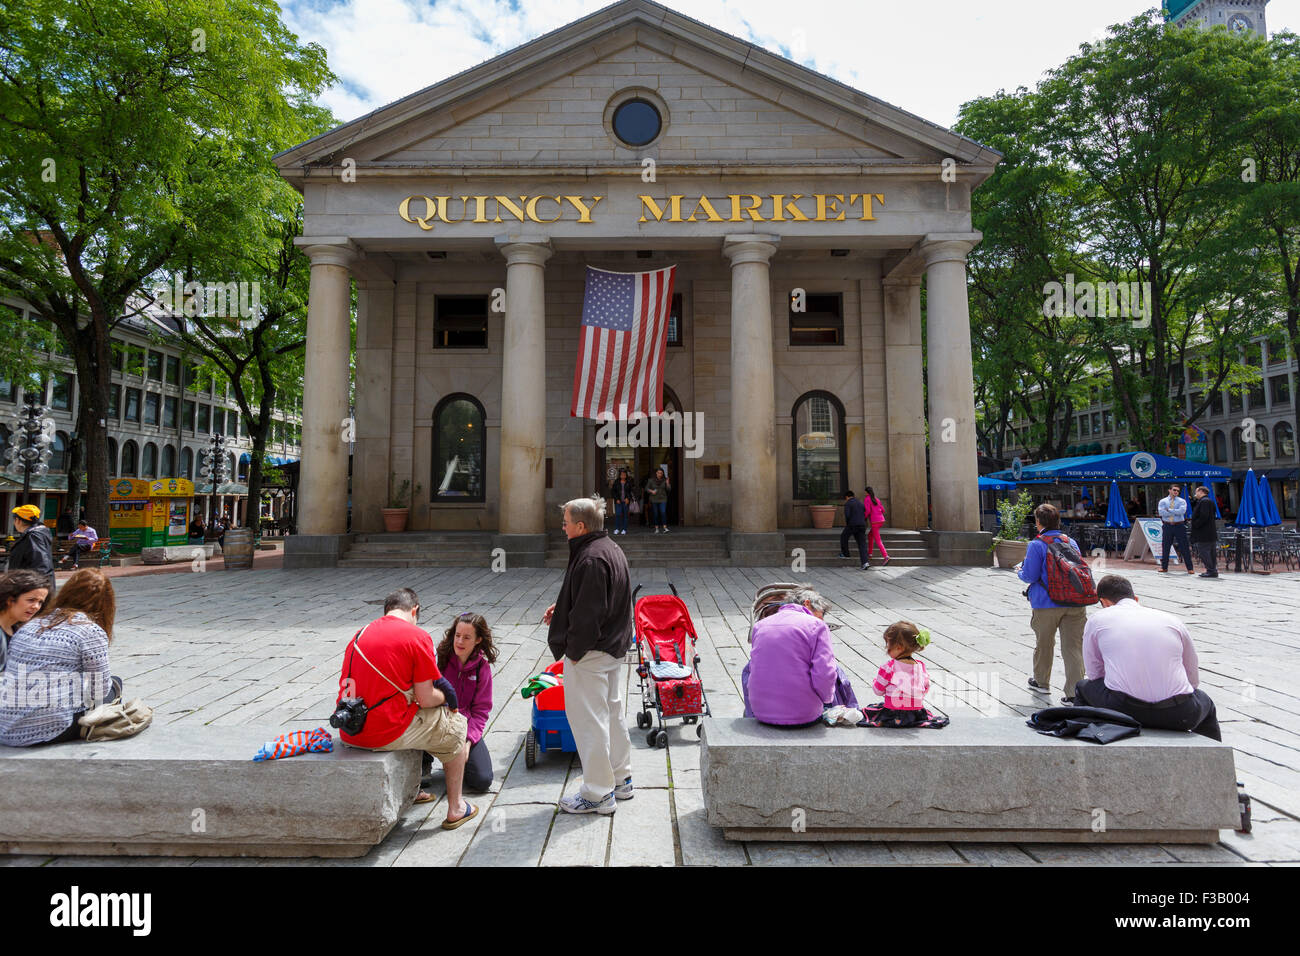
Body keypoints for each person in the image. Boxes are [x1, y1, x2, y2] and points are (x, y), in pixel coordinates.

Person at [334, 588, 476, 829]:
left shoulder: (360, 633)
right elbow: (427, 697)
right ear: (415, 610)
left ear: (387, 610)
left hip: (350, 730)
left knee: (409, 711)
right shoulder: (416, 636)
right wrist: (446, 699)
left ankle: (414, 788)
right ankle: (456, 807)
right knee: (455, 724)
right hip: (384, 731)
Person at [543, 496, 634, 814]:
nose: (563, 527)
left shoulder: (591, 558)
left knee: (589, 722)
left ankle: (597, 794)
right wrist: (563, 609)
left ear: (581, 526)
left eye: (566, 522)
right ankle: (621, 781)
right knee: (611, 714)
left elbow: (590, 615)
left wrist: (574, 652)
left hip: (592, 652)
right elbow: (601, 599)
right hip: (612, 648)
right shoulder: (609, 548)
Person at [1073, 575, 1220, 740]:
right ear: (1135, 598)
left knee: (1082, 687)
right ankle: (1214, 759)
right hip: (1179, 713)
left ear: (1104, 602)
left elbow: (1094, 674)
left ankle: (1085, 745)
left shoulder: (1096, 620)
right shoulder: (1173, 620)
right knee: (1207, 703)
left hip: (1121, 710)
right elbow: (1192, 676)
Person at [0, 568, 122, 746]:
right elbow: (100, 690)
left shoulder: (31, 624)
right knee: (115, 685)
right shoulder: (89, 630)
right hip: (45, 729)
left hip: (5, 725)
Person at [742, 588, 854, 726]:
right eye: (820, 615)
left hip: (761, 713)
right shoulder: (817, 626)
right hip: (802, 716)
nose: (821, 620)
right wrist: (826, 700)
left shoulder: (760, 625)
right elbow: (824, 672)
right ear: (807, 603)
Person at [1016, 503, 1087, 703]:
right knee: (1073, 647)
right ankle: (1074, 692)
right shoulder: (1070, 542)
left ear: (1038, 522)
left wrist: (1019, 571)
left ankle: (1041, 681)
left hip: (1046, 602)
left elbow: (1030, 575)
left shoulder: (1037, 544)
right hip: (1074, 601)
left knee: (1044, 643)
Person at [435, 612, 496, 793]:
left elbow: (481, 711)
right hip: (437, 721)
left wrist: (468, 741)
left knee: (483, 780)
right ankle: (424, 762)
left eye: (467, 637)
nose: (459, 642)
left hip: (464, 726)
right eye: (457, 635)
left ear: (478, 640)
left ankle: (458, 762)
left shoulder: (482, 669)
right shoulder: (440, 659)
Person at [865, 621, 932, 727]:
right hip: (916, 713)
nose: (886, 648)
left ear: (899, 647)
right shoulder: (920, 666)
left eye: (888, 645)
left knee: (870, 710)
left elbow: (878, 691)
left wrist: (875, 682)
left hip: (892, 712)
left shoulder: (889, 667)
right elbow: (926, 687)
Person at [0, 570, 50, 672]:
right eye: (31, 600)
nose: (36, 607)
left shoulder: (16, 629)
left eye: (40, 602)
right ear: (10, 600)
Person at [6, 505, 54, 595]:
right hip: (30, 588)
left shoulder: (33, 537)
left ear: (18, 521)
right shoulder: (37, 534)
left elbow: (40, 565)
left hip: (30, 590)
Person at [1157, 483, 1195, 574]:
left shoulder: (1182, 501)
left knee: (1184, 546)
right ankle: (1164, 567)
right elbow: (1161, 513)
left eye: (1178, 491)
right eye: (1174, 490)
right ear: (1169, 490)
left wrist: (1169, 510)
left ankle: (1190, 568)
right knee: (1165, 546)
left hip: (1179, 525)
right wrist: (1175, 512)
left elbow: (1182, 511)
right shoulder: (1163, 501)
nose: (1176, 492)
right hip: (1167, 525)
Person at [1189, 486, 1219, 579]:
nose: (1195, 493)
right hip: (1209, 532)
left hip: (1204, 532)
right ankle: (1212, 570)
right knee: (1211, 552)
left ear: (1201, 491)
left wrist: (1196, 524)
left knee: (1204, 551)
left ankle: (1211, 570)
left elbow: (1204, 516)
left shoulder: (1204, 501)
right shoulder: (1208, 501)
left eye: (1196, 491)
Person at [838, 490, 868, 569]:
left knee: (843, 537)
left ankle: (845, 554)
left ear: (847, 497)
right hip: (862, 525)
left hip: (852, 525)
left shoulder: (848, 503)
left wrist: (848, 525)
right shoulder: (860, 503)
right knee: (862, 544)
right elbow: (865, 514)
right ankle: (865, 563)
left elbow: (847, 516)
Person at [864, 486, 890, 567]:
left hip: (875, 521)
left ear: (866, 492)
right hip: (881, 520)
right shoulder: (876, 499)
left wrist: (863, 517)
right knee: (870, 535)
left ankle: (886, 556)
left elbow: (867, 511)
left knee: (878, 540)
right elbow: (883, 510)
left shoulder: (867, 499)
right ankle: (870, 554)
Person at [608, 467, 634, 536]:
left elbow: (631, 492)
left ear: (626, 475)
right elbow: (613, 492)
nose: (623, 476)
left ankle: (624, 529)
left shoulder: (629, 482)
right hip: (618, 501)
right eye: (622, 474)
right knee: (618, 515)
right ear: (619, 475)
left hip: (626, 502)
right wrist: (617, 499)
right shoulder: (616, 482)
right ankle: (617, 528)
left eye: (624, 474)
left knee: (625, 515)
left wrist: (628, 498)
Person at [645, 467, 670, 533]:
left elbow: (669, 489)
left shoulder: (665, 480)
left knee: (663, 512)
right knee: (655, 514)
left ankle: (665, 527)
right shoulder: (651, 480)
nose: (660, 474)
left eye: (661, 473)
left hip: (663, 499)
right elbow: (646, 488)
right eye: (658, 473)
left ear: (662, 474)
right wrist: (651, 491)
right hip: (654, 499)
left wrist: (667, 483)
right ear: (656, 473)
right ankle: (656, 528)